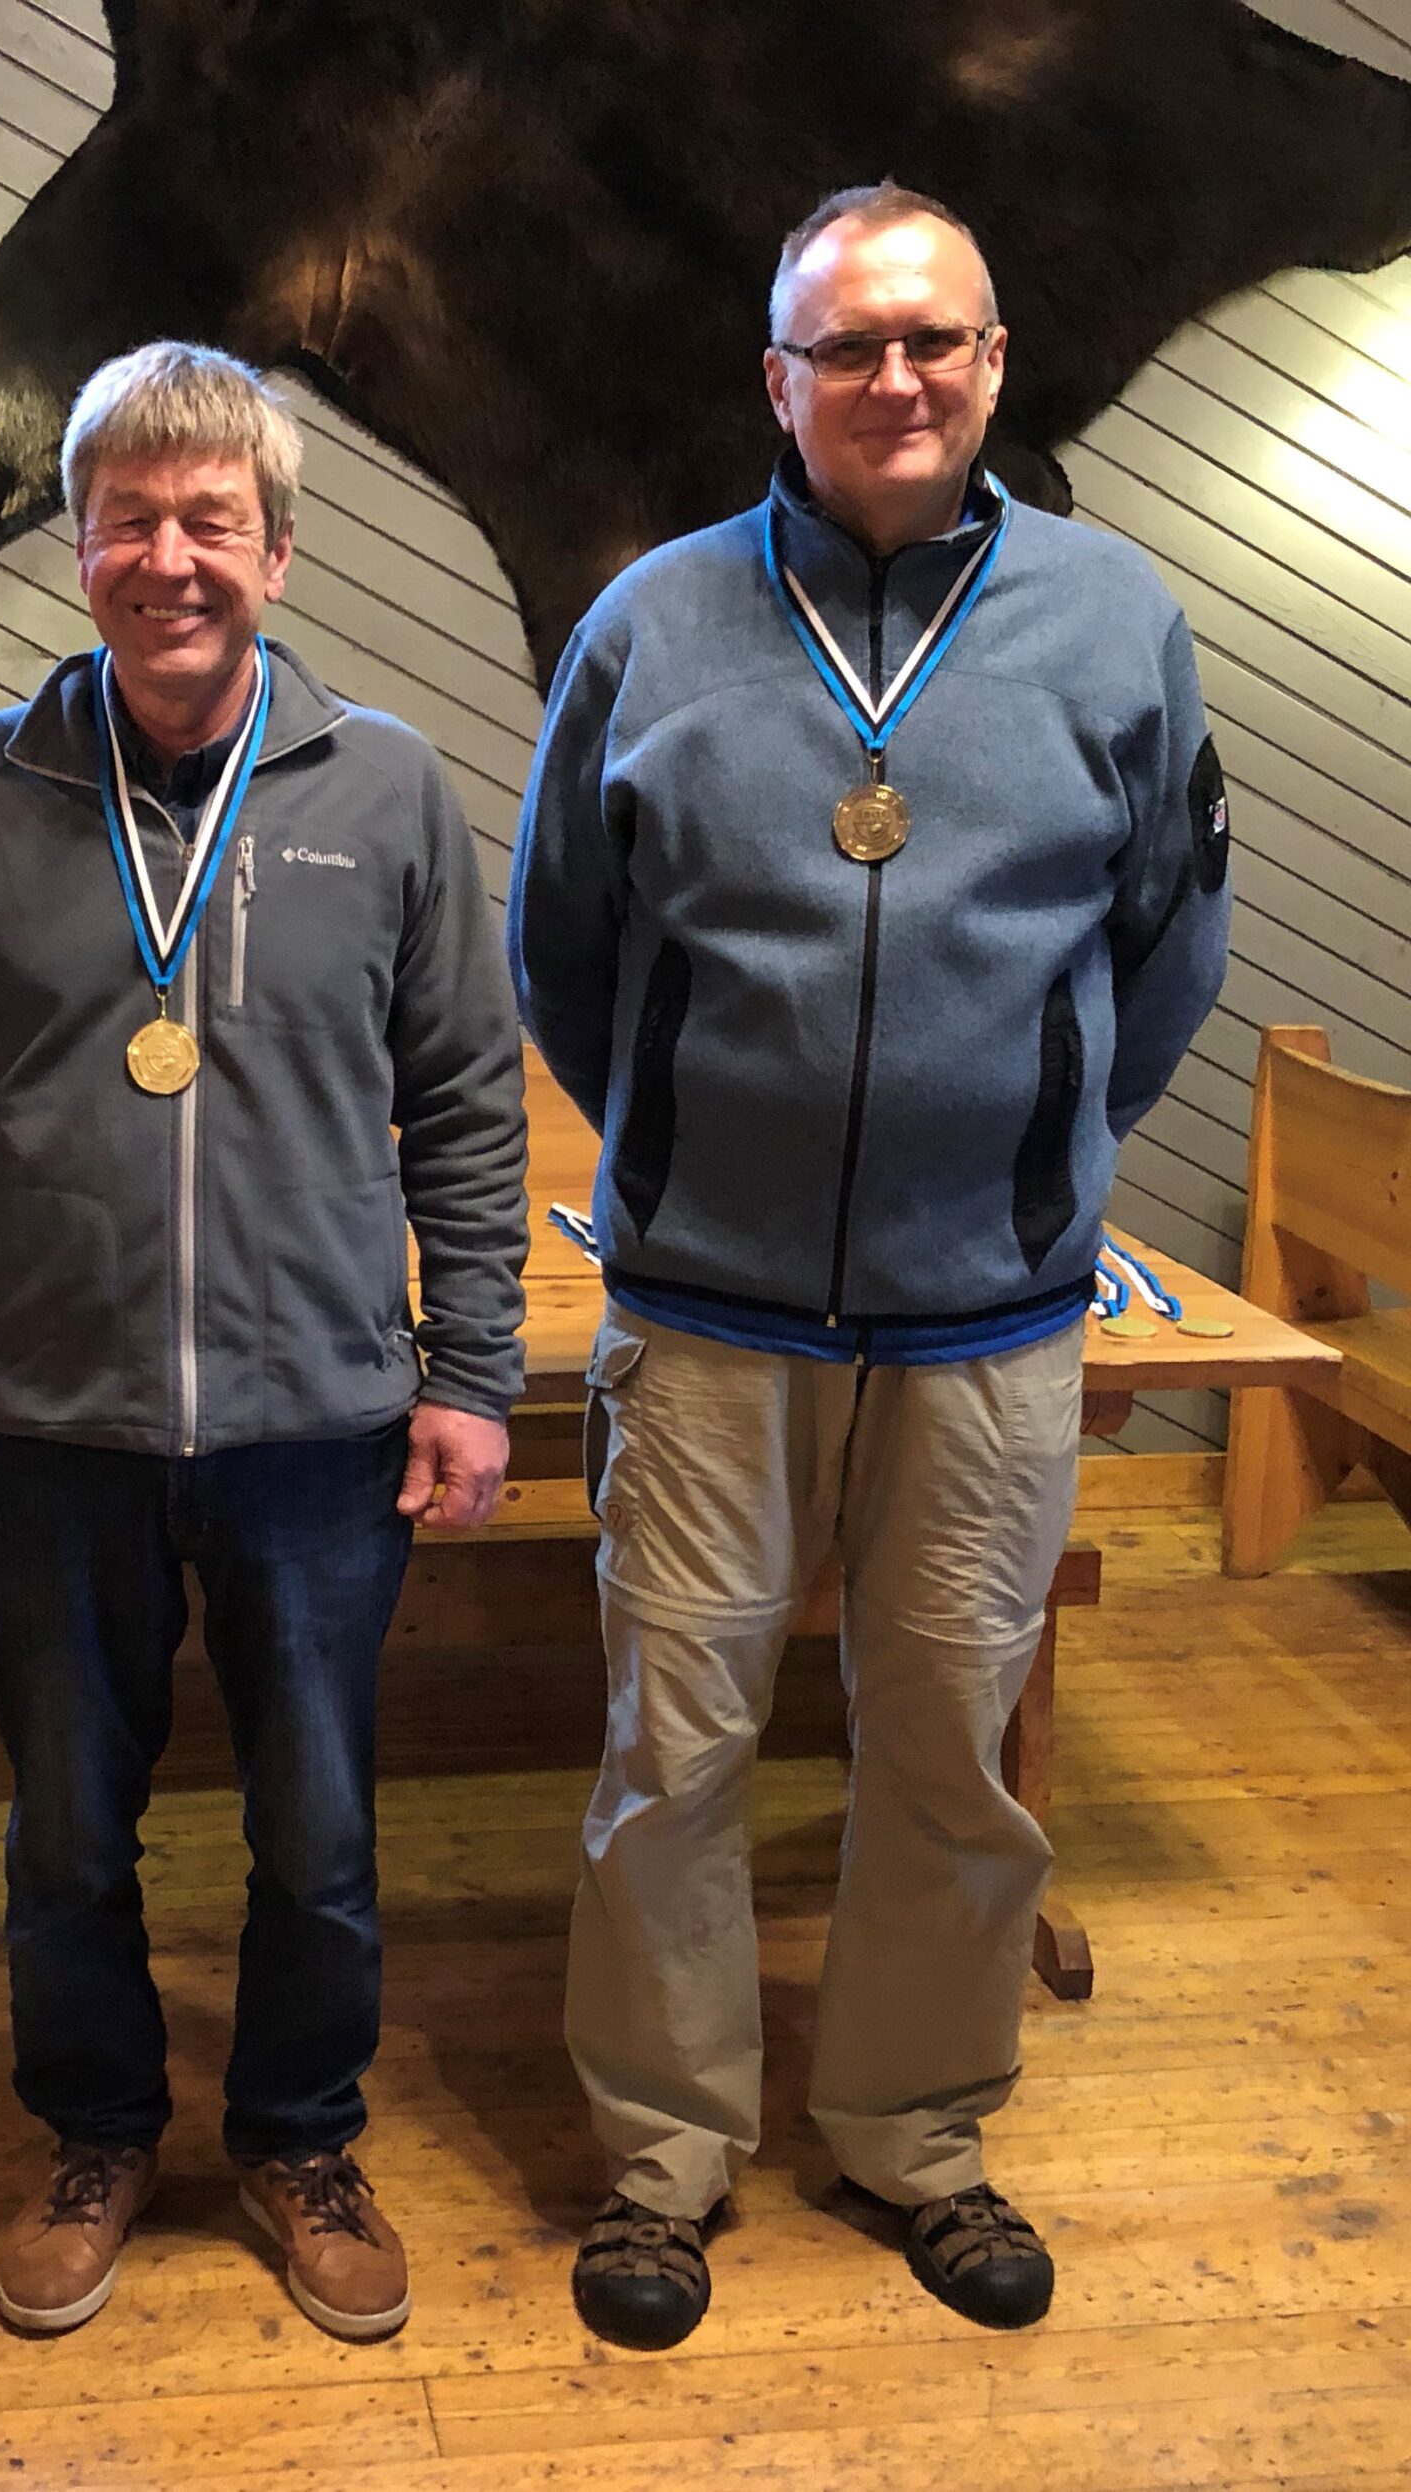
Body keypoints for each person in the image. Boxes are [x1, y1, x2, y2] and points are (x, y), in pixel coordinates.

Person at [509, 185, 1231, 2351]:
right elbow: (564, 951)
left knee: (948, 1755)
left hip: (986, 1323)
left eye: (932, 340)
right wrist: (689, 1149)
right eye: (847, 347)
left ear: (991, 365)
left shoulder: (1115, 620)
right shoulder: (649, 623)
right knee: (673, 1753)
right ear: (778, 381)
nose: (893, 378)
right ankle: (665, 2155)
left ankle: (913, 2131)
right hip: (706, 1316)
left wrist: (1027, 1145)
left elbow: (1166, 949)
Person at [0, 342, 530, 2342]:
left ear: (276, 552)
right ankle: (98, 2129)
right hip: (52, 1424)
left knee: (318, 1832)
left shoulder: (384, 789)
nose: (167, 559)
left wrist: (471, 1371)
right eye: (125, 518)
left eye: (208, 519)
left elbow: (466, 1107)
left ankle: (300, 2136)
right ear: (75, 548)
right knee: (67, 1829)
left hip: (318, 1421)